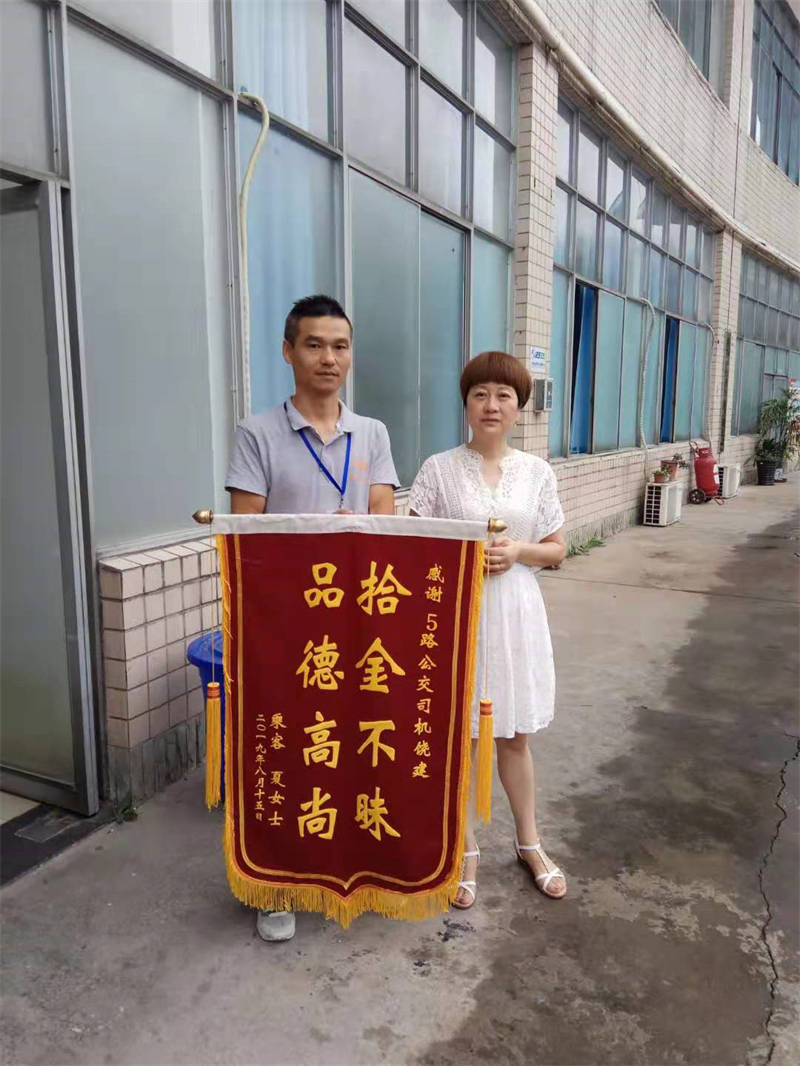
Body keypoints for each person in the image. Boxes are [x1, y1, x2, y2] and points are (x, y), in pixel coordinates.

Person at [225, 294, 399, 940]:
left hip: (355, 624)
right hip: (283, 625)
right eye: (315, 345)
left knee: (349, 745)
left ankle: (348, 862)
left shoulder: (372, 434)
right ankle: (276, 881)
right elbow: (245, 532)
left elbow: (385, 520)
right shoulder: (257, 434)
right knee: (284, 747)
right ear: (288, 351)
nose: (329, 358)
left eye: (340, 346)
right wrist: (318, 534)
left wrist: (358, 530)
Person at [409, 351, 567, 908]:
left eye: (504, 395)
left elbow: (557, 548)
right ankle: (465, 848)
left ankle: (530, 843)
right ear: (466, 404)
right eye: (480, 394)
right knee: (460, 737)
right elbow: (413, 545)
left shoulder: (537, 472)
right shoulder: (437, 470)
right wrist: (459, 557)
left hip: (516, 615)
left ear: (520, 407)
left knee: (513, 736)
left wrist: (519, 551)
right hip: (456, 614)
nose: (491, 405)